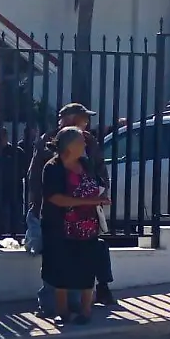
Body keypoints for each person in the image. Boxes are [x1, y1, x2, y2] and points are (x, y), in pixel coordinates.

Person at [28, 103, 113, 311]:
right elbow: (36, 177)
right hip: (56, 215)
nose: (87, 122)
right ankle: (53, 306)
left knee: (81, 261)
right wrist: (37, 205)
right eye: (84, 118)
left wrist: (101, 191)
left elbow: (100, 170)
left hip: (83, 218)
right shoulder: (50, 143)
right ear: (71, 119)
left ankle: (78, 305)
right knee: (55, 261)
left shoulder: (89, 141)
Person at [41, 127, 110, 325]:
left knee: (87, 269)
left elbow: (95, 183)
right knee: (60, 269)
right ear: (69, 146)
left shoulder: (85, 164)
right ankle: (62, 312)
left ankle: (85, 311)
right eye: (81, 141)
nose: (84, 145)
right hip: (60, 227)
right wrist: (89, 201)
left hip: (87, 226)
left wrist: (100, 196)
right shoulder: (53, 167)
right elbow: (55, 198)